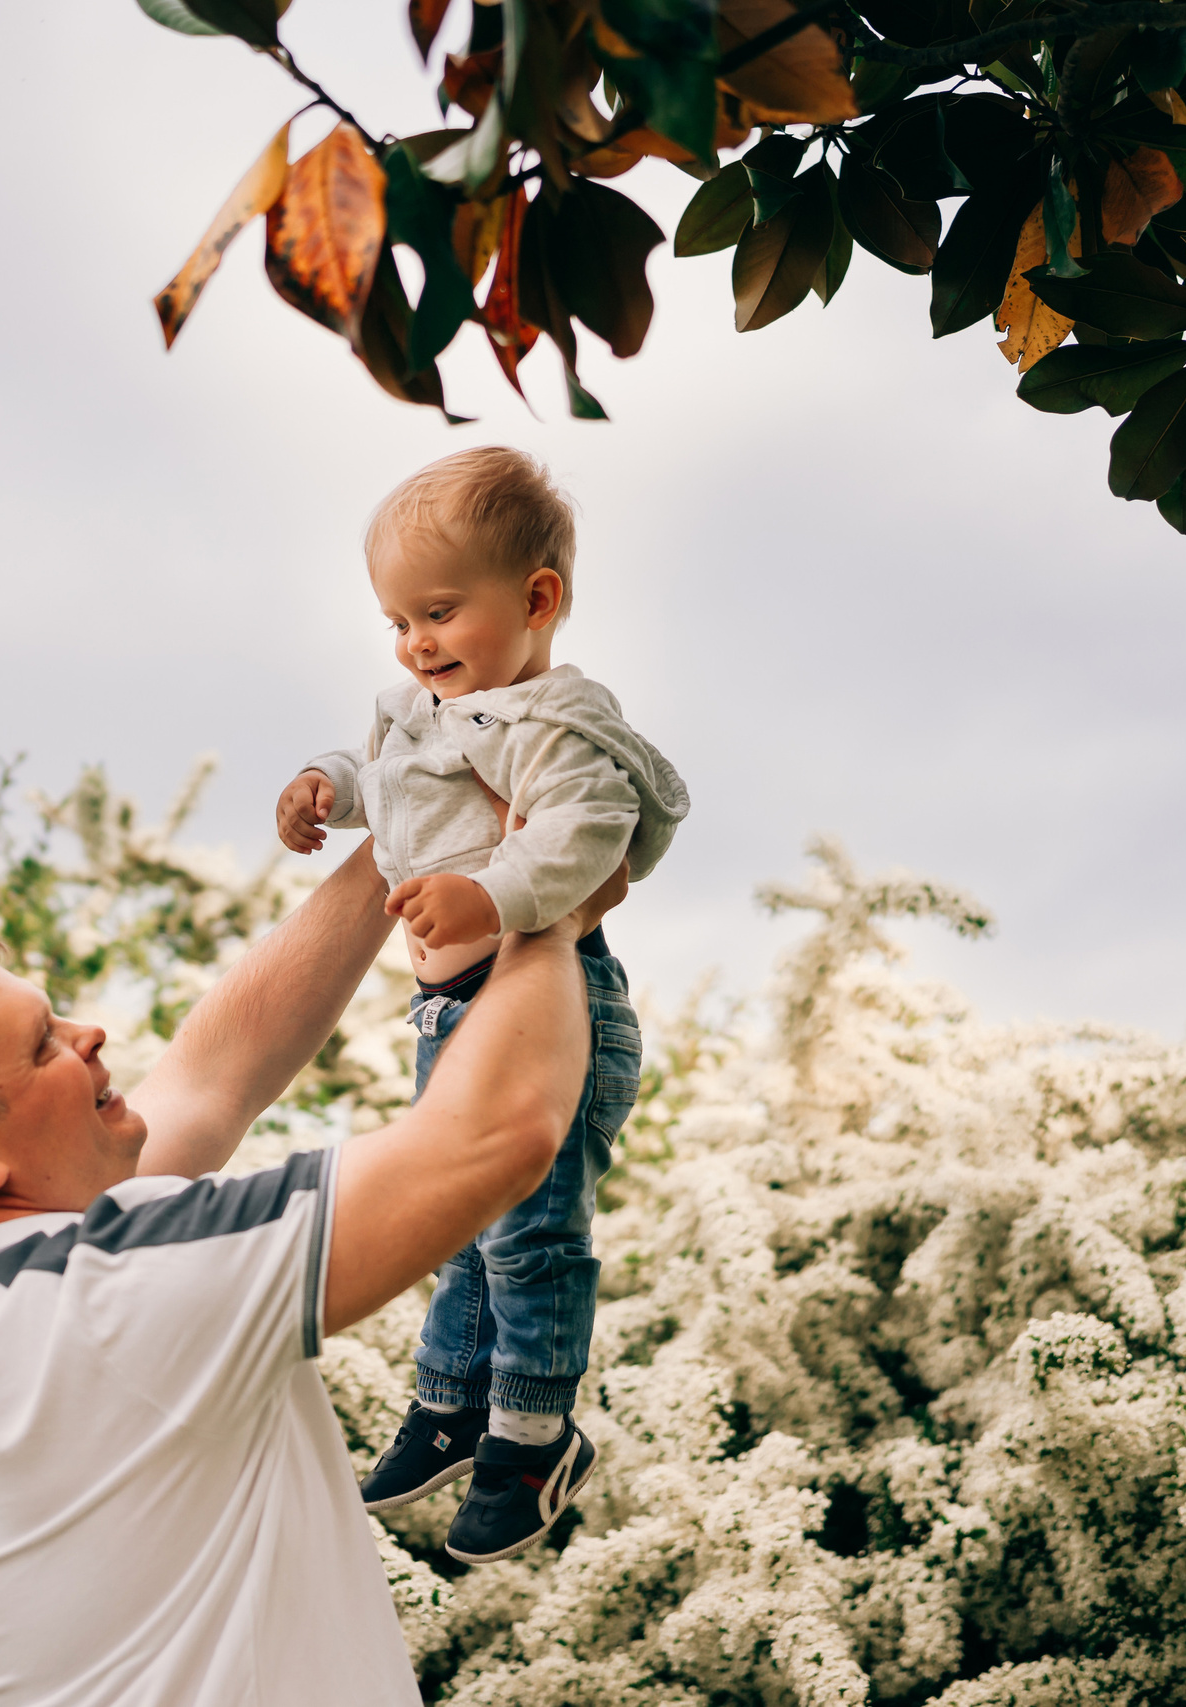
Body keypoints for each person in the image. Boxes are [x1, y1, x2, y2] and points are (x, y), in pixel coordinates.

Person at [0, 837, 625, 1707]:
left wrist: (403, 827)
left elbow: (215, 1074)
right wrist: (550, 900)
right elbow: (498, 1135)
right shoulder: (108, 1295)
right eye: (44, 1045)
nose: (89, 1034)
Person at [276, 447, 688, 1562]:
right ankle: (450, 1403)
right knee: (455, 1216)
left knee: (528, 1233)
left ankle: (534, 1438)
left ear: (537, 600)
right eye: (397, 620)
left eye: (440, 612)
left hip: (558, 1011)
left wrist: (490, 892)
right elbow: (380, 769)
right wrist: (323, 785)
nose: (416, 643)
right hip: (451, 1016)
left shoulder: (554, 722)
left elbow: (585, 836)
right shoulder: (426, 710)